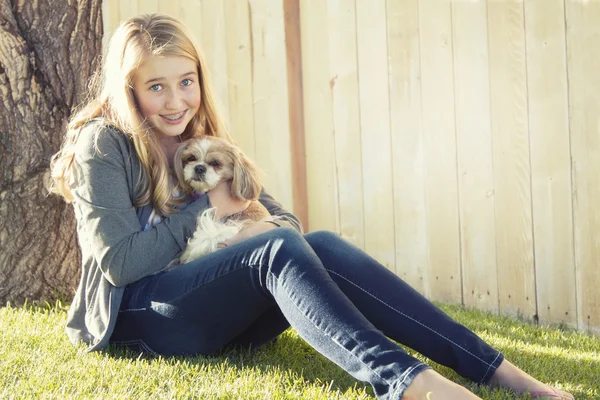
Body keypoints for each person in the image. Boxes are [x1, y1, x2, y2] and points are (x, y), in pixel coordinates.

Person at [49, 13, 573, 400]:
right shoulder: (105, 144)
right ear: (129, 89)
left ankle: (496, 369)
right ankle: (407, 382)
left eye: (186, 82)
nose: (175, 101)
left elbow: (288, 228)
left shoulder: (200, 137)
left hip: (211, 309)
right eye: (156, 87)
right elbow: (119, 265)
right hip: (142, 315)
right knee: (274, 248)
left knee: (315, 242)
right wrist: (211, 209)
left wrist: (248, 226)